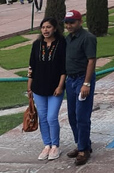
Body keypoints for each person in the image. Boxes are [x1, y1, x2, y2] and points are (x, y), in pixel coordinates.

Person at [27, 17, 67, 161]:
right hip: (38, 87)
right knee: (43, 118)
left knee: (51, 117)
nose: (46, 30)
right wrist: (29, 85)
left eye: (49, 27)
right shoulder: (37, 44)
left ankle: (55, 145)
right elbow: (32, 65)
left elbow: (64, 67)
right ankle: (47, 145)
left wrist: (60, 85)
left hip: (55, 87)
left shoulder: (62, 43)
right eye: (43, 27)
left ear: (55, 28)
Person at [63, 10, 97, 166]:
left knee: (82, 115)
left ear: (80, 22)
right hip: (70, 79)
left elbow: (91, 61)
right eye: (67, 22)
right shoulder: (68, 39)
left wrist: (87, 83)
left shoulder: (88, 38)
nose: (69, 25)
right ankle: (82, 144)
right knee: (72, 115)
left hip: (82, 79)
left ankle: (83, 149)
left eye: (72, 22)